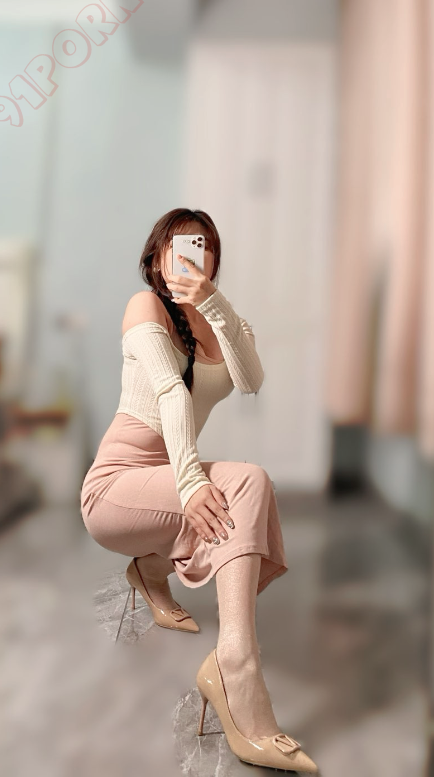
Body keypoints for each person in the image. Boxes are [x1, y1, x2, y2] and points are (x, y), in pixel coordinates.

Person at [80, 208, 318, 773]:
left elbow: (251, 379)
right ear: (156, 256)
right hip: (117, 484)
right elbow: (169, 390)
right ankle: (237, 666)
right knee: (245, 482)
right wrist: (190, 483)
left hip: (163, 484)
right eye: (180, 244)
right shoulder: (145, 307)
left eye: (204, 245)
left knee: (246, 485)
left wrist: (213, 304)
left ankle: (158, 575)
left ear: (213, 259)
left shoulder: (221, 318)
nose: (193, 254)